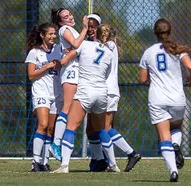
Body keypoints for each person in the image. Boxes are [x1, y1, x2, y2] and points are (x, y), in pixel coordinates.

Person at [52, 24, 119, 173]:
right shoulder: (109, 51)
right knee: (101, 129)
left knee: (71, 127)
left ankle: (64, 166)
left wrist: (61, 59)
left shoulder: (84, 45)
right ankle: (114, 165)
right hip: (101, 93)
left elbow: (66, 60)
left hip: (85, 91)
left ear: (94, 34)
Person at [138, 18, 191, 182]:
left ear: (155, 33)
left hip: (157, 98)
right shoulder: (176, 48)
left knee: (164, 136)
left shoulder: (148, 52)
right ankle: (176, 145)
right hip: (177, 98)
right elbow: (190, 66)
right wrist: (189, 78)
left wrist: (152, 78)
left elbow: (142, 79)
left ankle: (173, 171)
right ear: (169, 32)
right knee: (175, 128)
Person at [85, 18, 141, 172]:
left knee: (105, 127)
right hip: (103, 90)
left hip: (107, 90)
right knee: (92, 128)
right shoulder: (109, 46)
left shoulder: (108, 46)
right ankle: (100, 161)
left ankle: (131, 153)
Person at [49, 8, 88, 161]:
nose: (70, 17)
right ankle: (56, 143)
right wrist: (85, 29)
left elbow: (75, 47)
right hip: (71, 71)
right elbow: (76, 44)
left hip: (77, 70)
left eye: (70, 14)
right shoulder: (65, 29)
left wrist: (71, 50)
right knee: (66, 108)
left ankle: (61, 143)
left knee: (73, 110)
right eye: (65, 17)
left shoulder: (71, 29)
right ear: (60, 22)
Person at [25, 23, 63, 172]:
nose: (53, 36)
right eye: (50, 34)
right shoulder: (34, 52)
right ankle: (35, 161)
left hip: (57, 93)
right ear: (42, 35)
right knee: (43, 123)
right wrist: (46, 67)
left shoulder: (58, 49)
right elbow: (31, 75)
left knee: (51, 128)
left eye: (55, 34)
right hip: (41, 92)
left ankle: (45, 162)